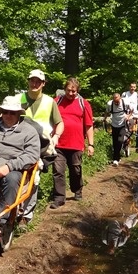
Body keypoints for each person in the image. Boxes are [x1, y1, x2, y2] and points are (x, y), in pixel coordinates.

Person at [0, 96, 41, 241]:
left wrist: (9, 166)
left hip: (16, 169)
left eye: (12, 113)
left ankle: (0, 224)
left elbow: (32, 155)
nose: (8, 115)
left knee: (12, 178)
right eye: (6, 112)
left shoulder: (29, 131)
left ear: (19, 114)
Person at [19, 69, 64, 222]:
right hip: (18, 143)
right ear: (28, 81)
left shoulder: (49, 102)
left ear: (43, 84)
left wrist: (56, 136)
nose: (34, 83)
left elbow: (59, 123)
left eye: (38, 81)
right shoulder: (18, 99)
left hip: (40, 144)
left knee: (33, 176)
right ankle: (13, 208)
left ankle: (26, 214)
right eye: (32, 80)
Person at [51, 78, 95, 209]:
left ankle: (77, 189)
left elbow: (89, 125)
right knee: (58, 171)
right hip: (58, 144)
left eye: (74, 91)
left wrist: (91, 144)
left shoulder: (84, 104)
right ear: (64, 89)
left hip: (76, 144)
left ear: (77, 91)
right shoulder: (56, 102)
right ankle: (59, 197)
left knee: (75, 169)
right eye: (69, 90)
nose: (71, 93)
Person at [105, 93, 133, 166]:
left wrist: (128, 116)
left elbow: (132, 109)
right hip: (114, 125)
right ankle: (118, 156)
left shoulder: (125, 102)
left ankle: (115, 159)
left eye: (118, 101)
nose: (116, 103)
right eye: (115, 102)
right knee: (115, 142)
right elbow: (107, 112)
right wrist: (104, 119)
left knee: (120, 140)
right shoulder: (109, 104)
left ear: (120, 98)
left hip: (123, 124)